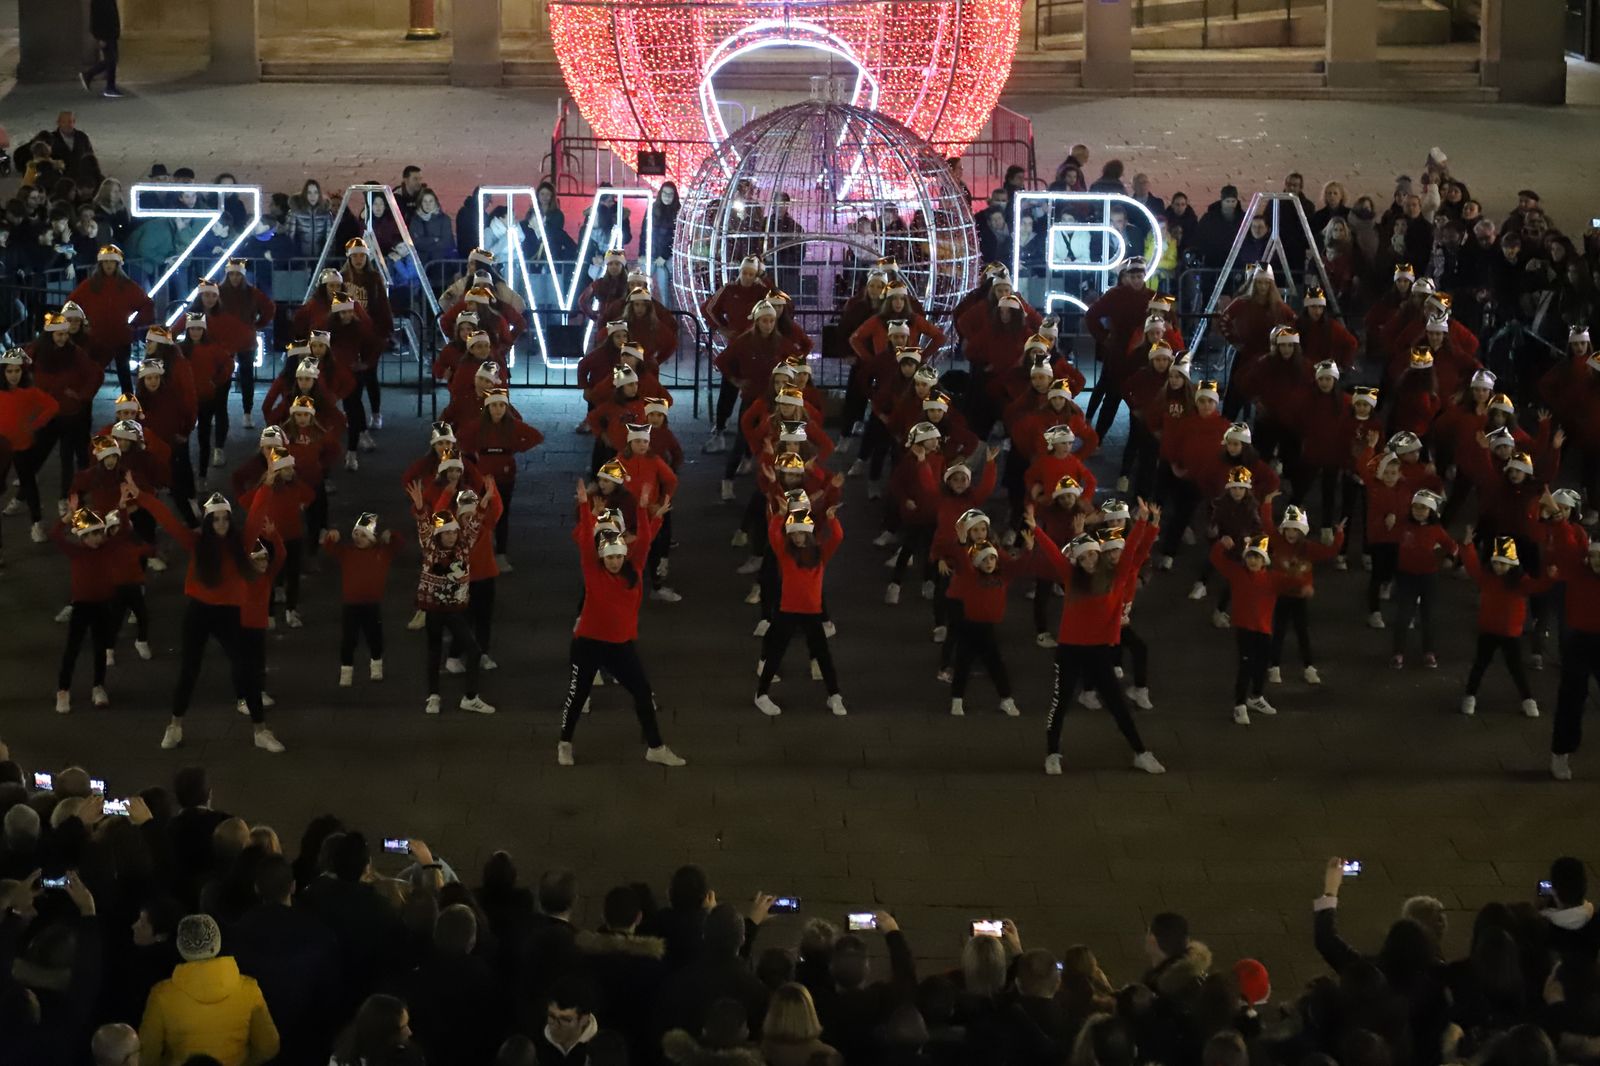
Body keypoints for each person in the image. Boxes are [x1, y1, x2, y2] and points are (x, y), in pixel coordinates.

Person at [1029, 502, 1165, 775]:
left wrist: (1143, 522)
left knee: (1117, 705)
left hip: (1100, 651)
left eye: (1093, 555)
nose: (1090, 560)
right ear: (1077, 561)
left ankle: (1140, 752)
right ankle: (1052, 753)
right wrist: (1036, 529)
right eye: (1084, 557)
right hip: (1069, 650)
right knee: (1061, 702)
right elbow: (1056, 555)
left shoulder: (1116, 577)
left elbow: (1134, 553)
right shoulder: (1071, 578)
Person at [560, 479, 686, 767]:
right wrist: (585, 507)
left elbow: (643, 540)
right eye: (610, 557)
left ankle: (655, 746)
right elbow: (585, 544)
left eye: (618, 556)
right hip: (589, 644)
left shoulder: (635, 568)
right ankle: (564, 741)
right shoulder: (593, 570)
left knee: (642, 692)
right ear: (602, 557)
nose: (615, 561)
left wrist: (644, 509)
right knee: (578, 695)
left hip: (620, 646)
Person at [405, 476, 497, 717]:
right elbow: (424, 524)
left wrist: (485, 502)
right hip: (434, 608)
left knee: (473, 650)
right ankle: (433, 696)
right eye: (446, 534)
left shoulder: (464, 545)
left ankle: (470, 697)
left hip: (455, 609)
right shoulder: (430, 546)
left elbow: (476, 522)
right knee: (434, 651)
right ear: (439, 535)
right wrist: (419, 506)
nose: (451, 537)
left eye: (453, 533)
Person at [138, 913, 281, 1065]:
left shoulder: (162, 995)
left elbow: (147, 1056)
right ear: (217, 942)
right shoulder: (249, 989)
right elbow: (269, 1047)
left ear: (181, 947)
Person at [754, 504, 847, 719]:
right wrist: (778, 516)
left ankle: (834, 694)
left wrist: (832, 519)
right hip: (788, 609)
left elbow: (838, 537)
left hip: (812, 611)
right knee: (776, 652)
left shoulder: (820, 553)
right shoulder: (785, 553)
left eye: (800, 532)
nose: (796, 537)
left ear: (808, 532)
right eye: (793, 533)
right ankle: (761, 693)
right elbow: (773, 534)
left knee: (823, 654)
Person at [1458, 536, 1546, 719]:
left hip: (1509, 633)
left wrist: (1550, 577)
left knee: (1515, 668)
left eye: (1502, 564)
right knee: (1480, 665)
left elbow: (1538, 586)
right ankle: (1470, 696)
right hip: (1491, 630)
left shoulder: (1521, 582)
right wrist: (1467, 547)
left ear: (1512, 565)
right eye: (1496, 563)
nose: (1498, 567)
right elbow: (1473, 567)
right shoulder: (1490, 577)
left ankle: (1527, 699)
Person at [323, 513, 400, 688]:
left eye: (363, 535)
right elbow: (330, 548)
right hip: (351, 605)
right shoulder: (347, 552)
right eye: (356, 534)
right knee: (349, 639)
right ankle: (346, 670)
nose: (358, 538)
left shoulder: (382, 552)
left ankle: (376, 665)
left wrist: (392, 535)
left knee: (375, 637)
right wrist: (331, 537)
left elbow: (398, 544)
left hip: (372, 604)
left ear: (372, 538)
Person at [82, 2, 123, 97]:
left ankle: (89, 75)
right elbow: (97, 18)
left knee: (112, 59)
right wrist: (100, 37)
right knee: (111, 60)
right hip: (106, 33)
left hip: (111, 32)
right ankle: (109, 87)